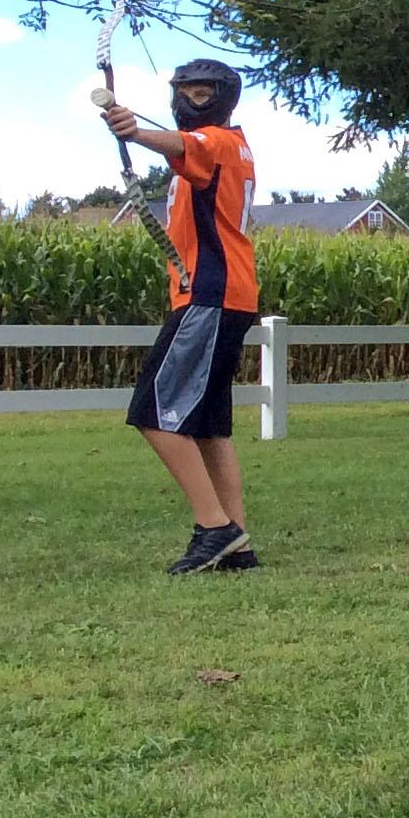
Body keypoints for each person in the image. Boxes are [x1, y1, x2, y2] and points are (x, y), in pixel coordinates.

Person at [100, 58, 263, 572]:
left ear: (221, 97)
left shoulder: (219, 142)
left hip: (209, 297)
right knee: (209, 426)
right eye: (183, 91)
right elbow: (183, 155)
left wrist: (133, 130)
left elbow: (185, 146)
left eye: (199, 92)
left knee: (154, 411)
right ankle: (238, 542)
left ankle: (214, 528)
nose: (188, 99)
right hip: (224, 296)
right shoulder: (224, 149)